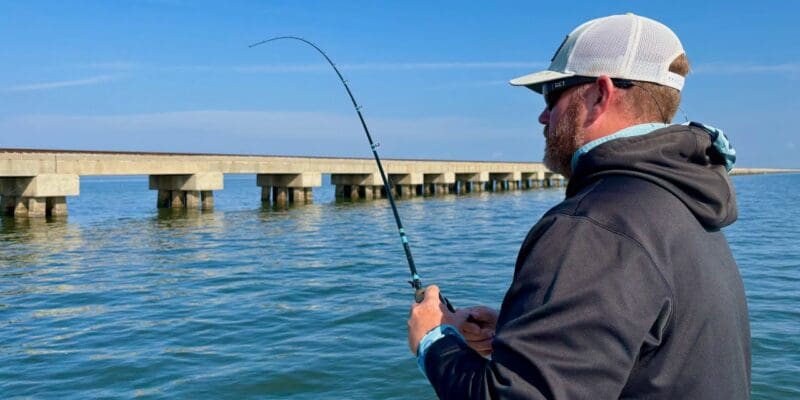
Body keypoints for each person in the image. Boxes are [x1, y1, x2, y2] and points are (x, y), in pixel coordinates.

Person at [407, 13, 751, 399]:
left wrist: (435, 341)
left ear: (600, 94)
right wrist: (525, 330)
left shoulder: (593, 226)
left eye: (551, 93)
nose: (542, 114)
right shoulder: (688, 203)